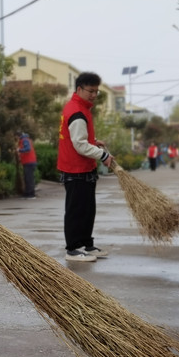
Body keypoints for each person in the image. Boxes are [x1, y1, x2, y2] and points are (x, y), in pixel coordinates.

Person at [58, 73, 116, 263]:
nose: (94, 95)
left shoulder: (81, 108)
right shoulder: (76, 111)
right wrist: (104, 155)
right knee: (76, 210)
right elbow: (79, 144)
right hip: (75, 169)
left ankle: (86, 244)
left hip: (84, 168)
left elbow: (81, 139)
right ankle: (73, 248)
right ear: (79, 89)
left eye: (96, 91)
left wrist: (94, 142)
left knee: (87, 209)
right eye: (90, 91)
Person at [17, 131, 38, 198]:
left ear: (17, 136)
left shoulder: (24, 140)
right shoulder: (25, 139)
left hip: (29, 162)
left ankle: (30, 194)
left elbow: (28, 149)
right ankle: (28, 192)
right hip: (29, 161)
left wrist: (19, 150)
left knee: (29, 178)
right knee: (28, 178)